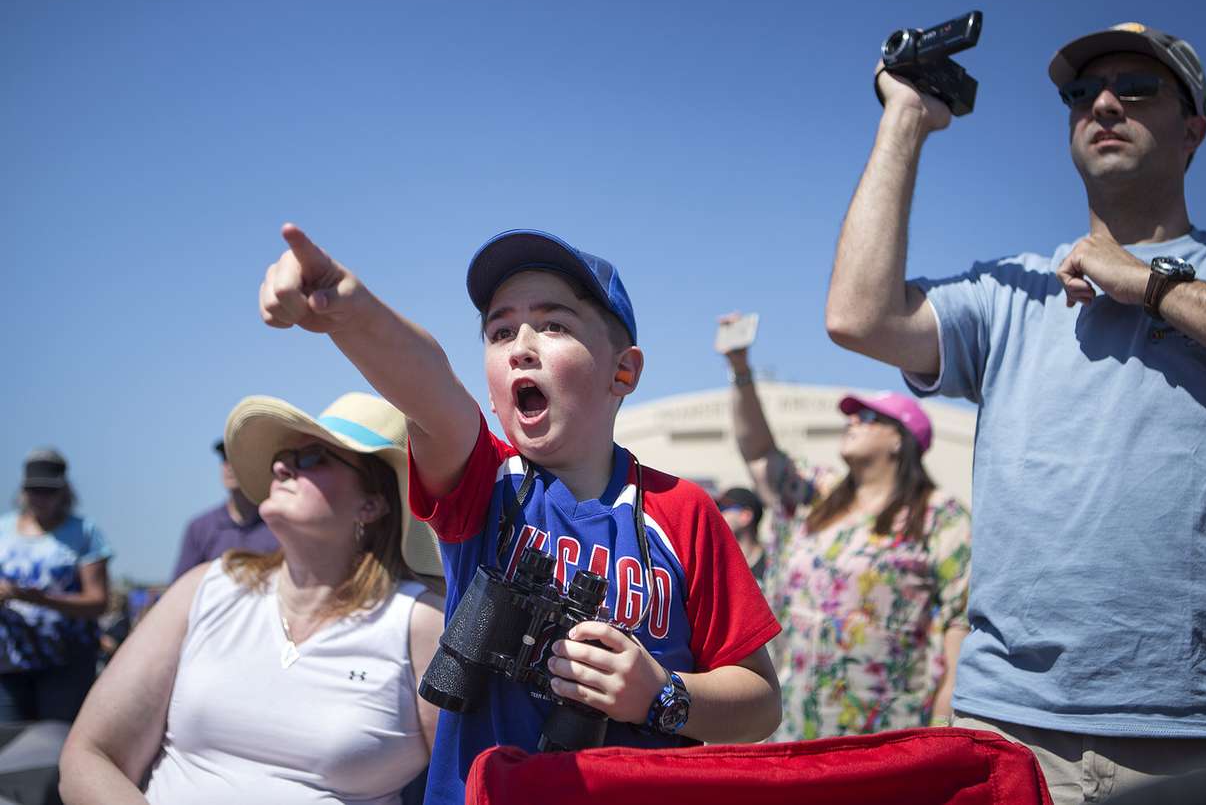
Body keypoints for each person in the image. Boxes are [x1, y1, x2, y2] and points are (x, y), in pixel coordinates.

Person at [827, 21, 1206, 803]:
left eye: (1136, 88)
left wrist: (1148, 282)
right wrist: (905, 116)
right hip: (1009, 728)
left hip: (1195, 736)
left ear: (1193, 130)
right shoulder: (1015, 289)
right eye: (1081, 94)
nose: (1103, 103)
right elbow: (858, 315)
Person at [256, 225, 782, 805]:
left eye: (554, 324)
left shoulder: (686, 513)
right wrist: (348, 309)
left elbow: (760, 700)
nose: (521, 345)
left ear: (623, 372)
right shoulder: (484, 482)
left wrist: (660, 694)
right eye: (499, 330)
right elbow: (427, 386)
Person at [58, 393, 446, 805]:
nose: (281, 466)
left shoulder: (417, 623)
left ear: (372, 504)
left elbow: (470, 785)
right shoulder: (205, 589)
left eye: (313, 457)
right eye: (283, 455)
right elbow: (90, 755)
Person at [721, 328, 970, 738]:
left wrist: (945, 726)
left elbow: (959, 623)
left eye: (869, 418)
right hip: (793, 722)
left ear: (899, 440)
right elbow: (760, 453)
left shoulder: (938, 515)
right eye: (852, 415)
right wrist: (740, 369)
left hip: (886, 727)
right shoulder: (818, 496)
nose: (852, 421)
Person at [0, 448, 111, 724]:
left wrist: (43, 599)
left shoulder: (84, 532)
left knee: (54, 744)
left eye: (48, 490)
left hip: (66, 663)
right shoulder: (3, 529)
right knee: (9, 749)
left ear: (64, 492)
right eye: (34, 490)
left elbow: (98, 601)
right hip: (8, 662)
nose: (40, 498)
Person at [170, 439, 278, 580]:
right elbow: (180, 587)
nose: (229, 466)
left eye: (237, 458)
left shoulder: (278, 524)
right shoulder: (199, 528)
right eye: (224, 458)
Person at [715, 486, 766, 586]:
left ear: (746, 516)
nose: (717, 513)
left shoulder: (772, 563)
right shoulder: (715, 564)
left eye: (723, 508)